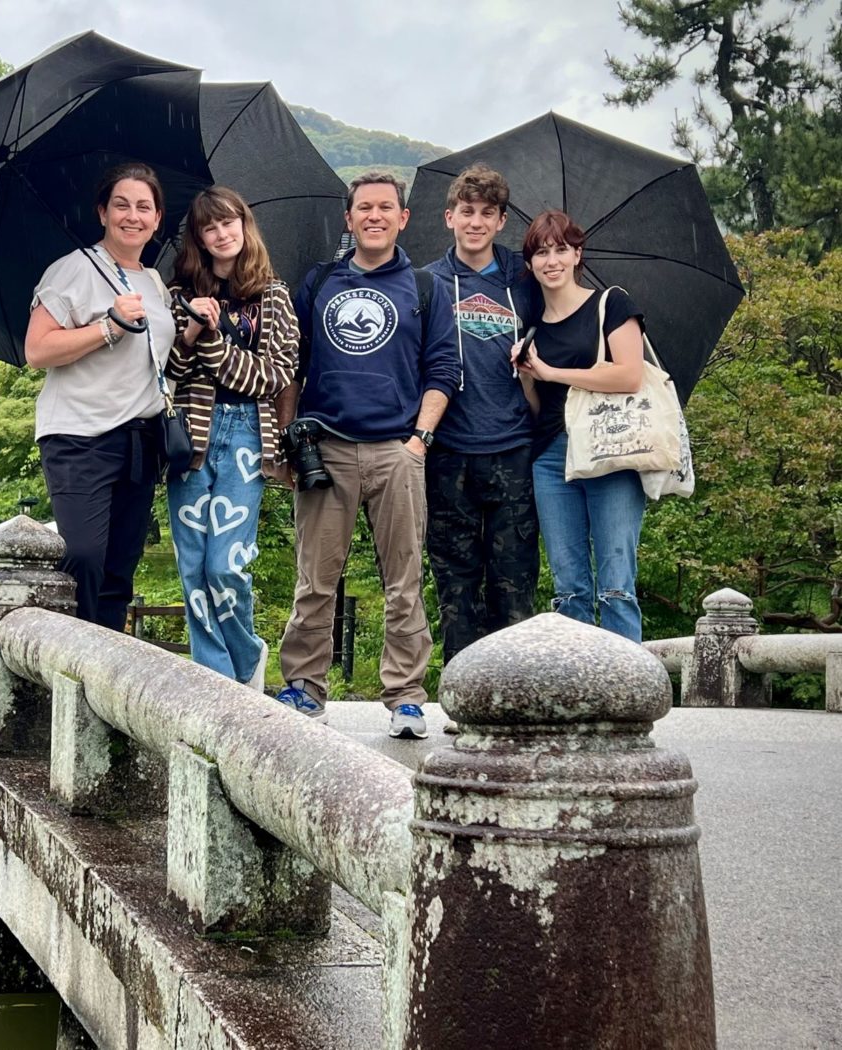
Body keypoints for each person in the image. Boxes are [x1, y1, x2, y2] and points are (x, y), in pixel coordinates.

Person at [276, 172, 459, 737]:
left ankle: (405, 696)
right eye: (363, 208)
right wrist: (287, 439)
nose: (374, 215)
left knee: (403, 580)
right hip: (324, 448)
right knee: (315, 578)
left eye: (386, 207)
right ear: (349, 218)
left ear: (403, 218)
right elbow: (291, 365)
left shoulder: (426, 288)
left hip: (395, 448)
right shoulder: (320, 282)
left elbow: (444, 371)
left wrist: (418, 441)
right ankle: (305, 687)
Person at [24, 162, 174, 630]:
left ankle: (101, 672)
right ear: (103, 213)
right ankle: (68, 657)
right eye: (122, 205)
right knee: (83, 554)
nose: (133, 215)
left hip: (140, 440)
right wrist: (107, 326)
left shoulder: (154, 282)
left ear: (157, 219)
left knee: (119, 567)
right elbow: (38, 350)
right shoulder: (72, 270)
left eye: (144, 207)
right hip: (79, 435)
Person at [166, 187, 300, 688]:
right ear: (198, 238)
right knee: (193, 565)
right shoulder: (179, 295)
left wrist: (216, 342)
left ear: (245, 226)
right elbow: (171, 370)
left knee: (227, 565)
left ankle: (246, 657)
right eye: (209, 227)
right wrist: (190, 333)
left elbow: (272, 376)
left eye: (229, 223)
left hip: (248, 433)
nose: (222, 234)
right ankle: (215, 681)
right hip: (191, 437)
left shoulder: (274, 295)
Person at [423, 165, 541, 664]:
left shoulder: (525, 279)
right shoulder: (426, 282)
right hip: (448, 451)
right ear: (449, 216)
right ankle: (461, 694)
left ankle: (513, 699)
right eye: (466, 212)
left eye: (486, 214)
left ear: (501, 221)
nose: (475, 222)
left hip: (513, 446)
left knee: (515, 582)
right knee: (455, 582)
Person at [514, 209, 647, 641]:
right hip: (552, 457)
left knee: (615, 586)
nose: (551, 261)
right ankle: (576, 696)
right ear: (530, 263)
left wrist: (553, 372)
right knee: (568, 588)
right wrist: (528, 377)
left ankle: (629, 699)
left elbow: (629, 375)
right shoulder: (532, 327)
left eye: (560, 250)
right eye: (541, 252)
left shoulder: (611, 304)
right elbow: (540, 410)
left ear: (577, 255)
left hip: (610, 452)